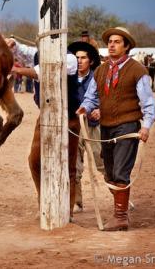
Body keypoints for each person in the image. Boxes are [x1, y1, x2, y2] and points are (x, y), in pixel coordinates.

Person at [77, 26, 155, 231]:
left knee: (121, 171)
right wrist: (85, 107)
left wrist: (146, 126)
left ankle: (120, 218)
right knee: (110, 173)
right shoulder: (101, 70)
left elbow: (148, 103)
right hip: (106, 128)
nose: (111, 45)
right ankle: (121, 209)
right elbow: (92, 96)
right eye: (110, 41)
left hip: (128, 126)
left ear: (127, 46)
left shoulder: (138, 70)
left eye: (117, 42)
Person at [6, 38, 81, 220]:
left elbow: (46, 71)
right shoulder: (40, 54)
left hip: (68, 117)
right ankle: (44, 200)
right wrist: (14, 45)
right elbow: (27, 52)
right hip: (46, 114)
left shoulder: (69, 59)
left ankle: (67, 211)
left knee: (68, 166)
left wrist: (16, 69)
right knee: (35, 160)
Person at [67, 41, 102, 212]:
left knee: (102, 160)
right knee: (74, 164)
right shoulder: (68, 78)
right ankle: (76, 201)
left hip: (93, 125)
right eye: (76, 58)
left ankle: (120, 195)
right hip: (74, 127)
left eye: (83, 58)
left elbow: (108, 98)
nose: (79, 61)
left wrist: (100, 110)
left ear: (91, 61)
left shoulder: (98, 77)